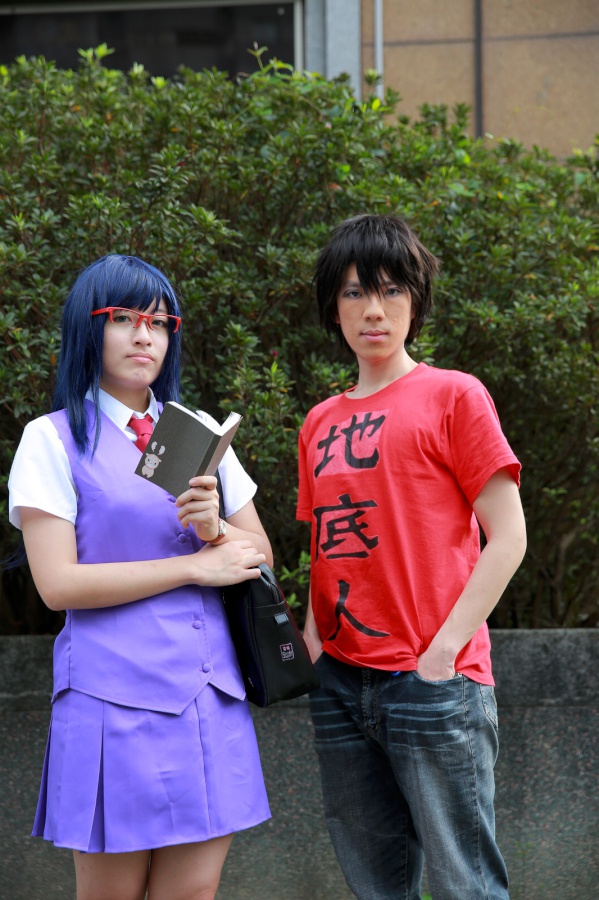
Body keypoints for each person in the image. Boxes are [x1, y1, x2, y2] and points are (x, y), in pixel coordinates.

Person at [8, 254, 272, 900]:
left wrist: (215, 528)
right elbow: (57, 584)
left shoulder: (198, 431)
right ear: (88, 327)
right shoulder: (51, 439)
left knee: (193, 893)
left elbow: (260, 553)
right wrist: (194, 565)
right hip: (111, 698)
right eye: (123, 318)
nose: (144, 336)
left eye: (158, 322)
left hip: (208, 692)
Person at [297, 214, 527, 900]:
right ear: (332, 308)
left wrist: (444, 650)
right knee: (377, 887)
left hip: (432, 680)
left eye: (391, 290)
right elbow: (322, 543)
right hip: (340, 682)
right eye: (354, 292)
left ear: (415, 300)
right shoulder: (318, 422)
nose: (373, 309)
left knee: (465, 886)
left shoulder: (454, 395)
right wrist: (312, 644)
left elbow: (508, 536)